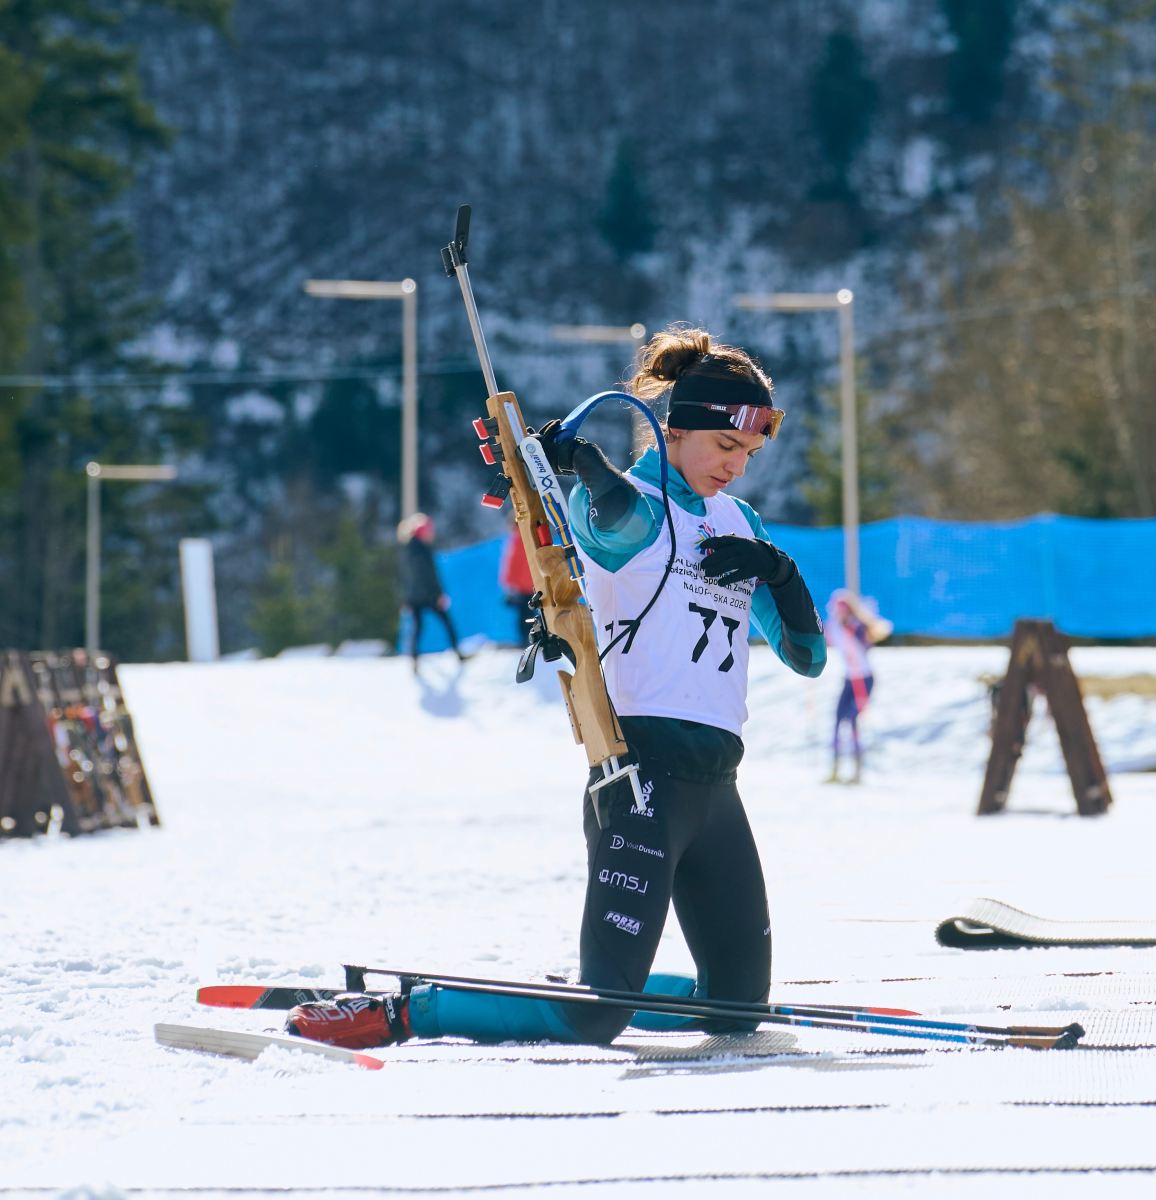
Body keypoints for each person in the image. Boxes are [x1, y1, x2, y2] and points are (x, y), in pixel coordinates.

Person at [289, 324, 826, 1049]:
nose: (736, 465)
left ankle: (575, 987)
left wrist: (780, 572)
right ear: (675, 429)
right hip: (643, 782)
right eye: (726, 445)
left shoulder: (739, 520)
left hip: (717, 787)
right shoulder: (632, 506)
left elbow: (807, 657)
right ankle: (405, 1012)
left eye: (750, 454)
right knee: (594, 1017)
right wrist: (586, 467)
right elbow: (615, 522)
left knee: (736, 1009)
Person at [824, 590, 892, 784]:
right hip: (849, 679)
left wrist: (856, 632)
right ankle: (835, 769)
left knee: (853, 719)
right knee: (838, 718)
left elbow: (869, 640)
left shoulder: (857, 626)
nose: (839, 613)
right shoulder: (834, 627)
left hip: (864, 679)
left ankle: (857, 770)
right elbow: (825, 639)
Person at [398, 513, 464, 669]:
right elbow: (429, 576)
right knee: (446, 623)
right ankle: (458, 653)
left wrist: (405, 599)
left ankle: (414, 658)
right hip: (428, 596)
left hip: (413, 597)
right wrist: (438, 594)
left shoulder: (407, 550)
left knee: (417, 629)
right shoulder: (422, 551)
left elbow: (403, 578)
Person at [498, 526, 535, 646]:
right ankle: (535, 637)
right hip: (534, 582)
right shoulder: (530, 536)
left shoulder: (516, 540)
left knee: (524, 614)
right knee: (533, 612)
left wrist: (508, 583)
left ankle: (527, 639)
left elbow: (512, 563)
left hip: (523, 586)